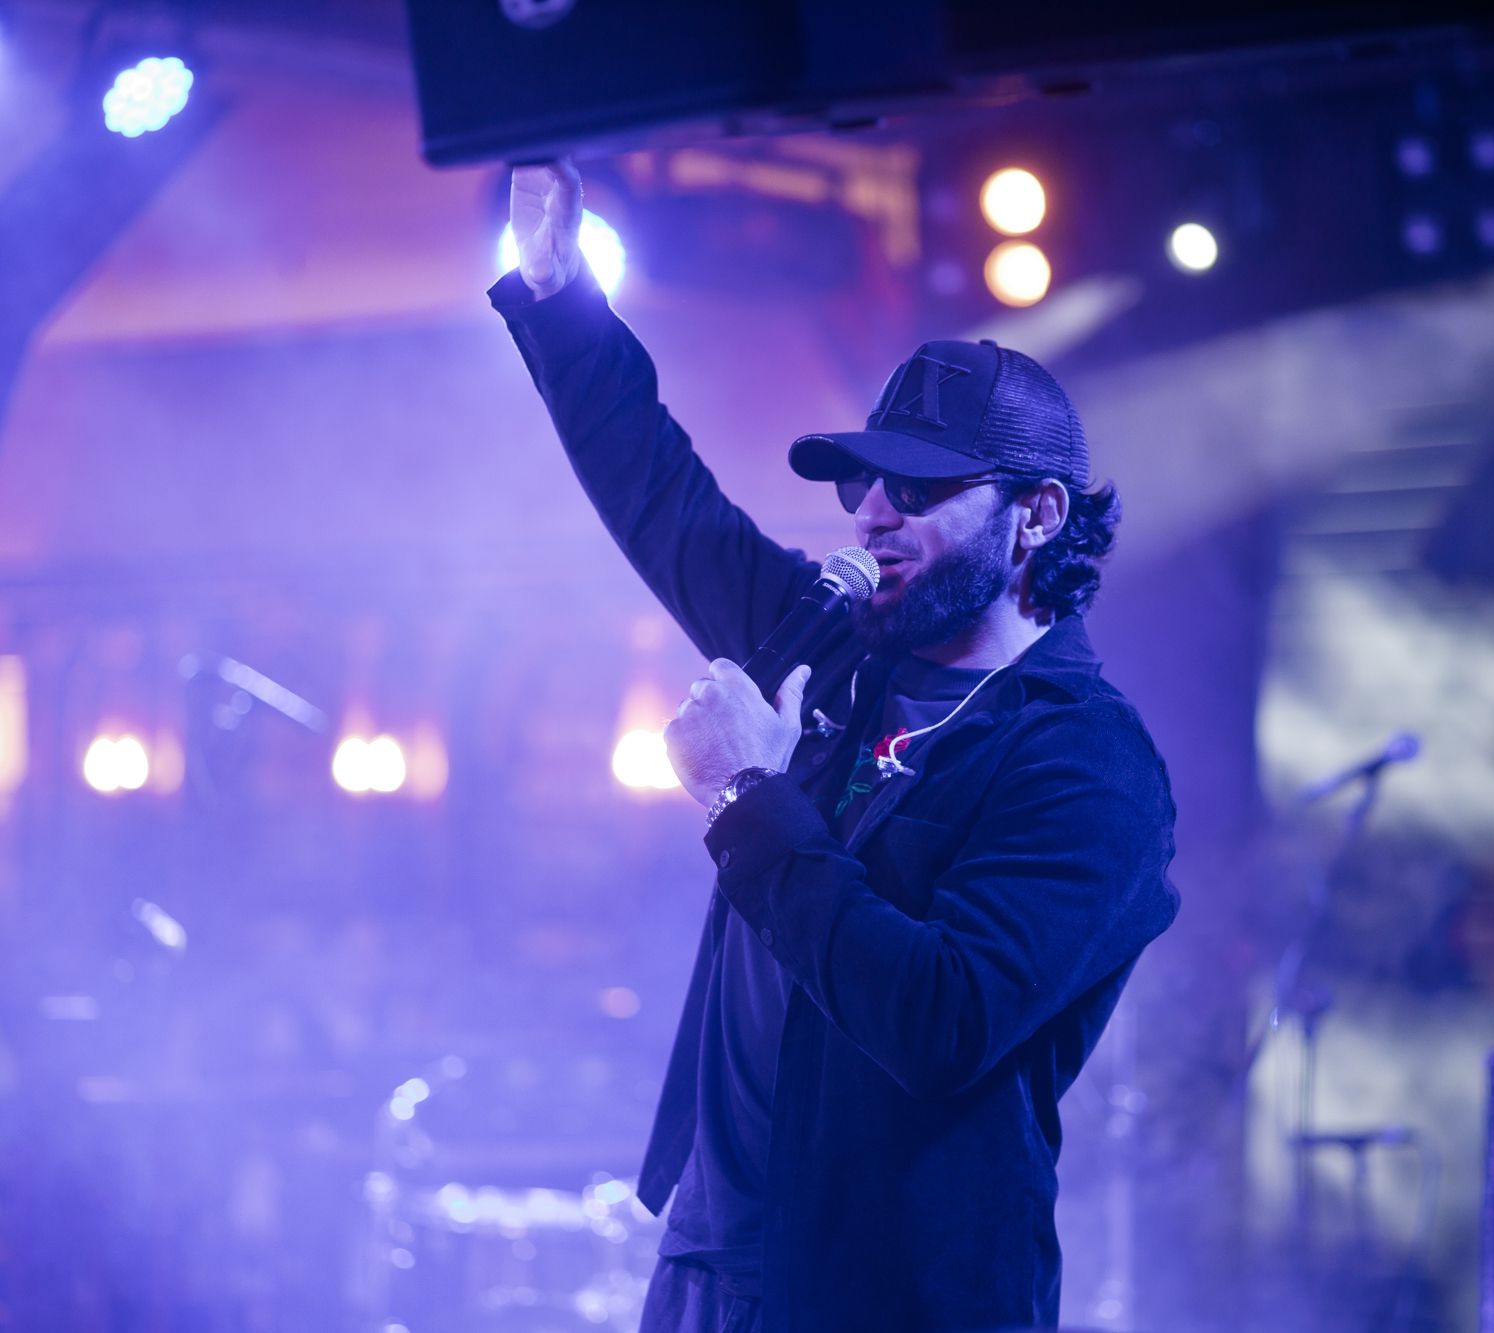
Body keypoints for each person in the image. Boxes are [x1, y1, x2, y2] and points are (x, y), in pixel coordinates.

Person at [490, 160, 1179, 1333]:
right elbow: (664, 501)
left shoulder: (1088, 764)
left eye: (918, 489)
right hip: (713, 1260)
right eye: (864, 482)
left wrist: (748, 794)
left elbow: (940, 1019)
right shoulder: (836, 647)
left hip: (887, 1294)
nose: (869, 511)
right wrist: (560, 301)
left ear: (1037, 515)